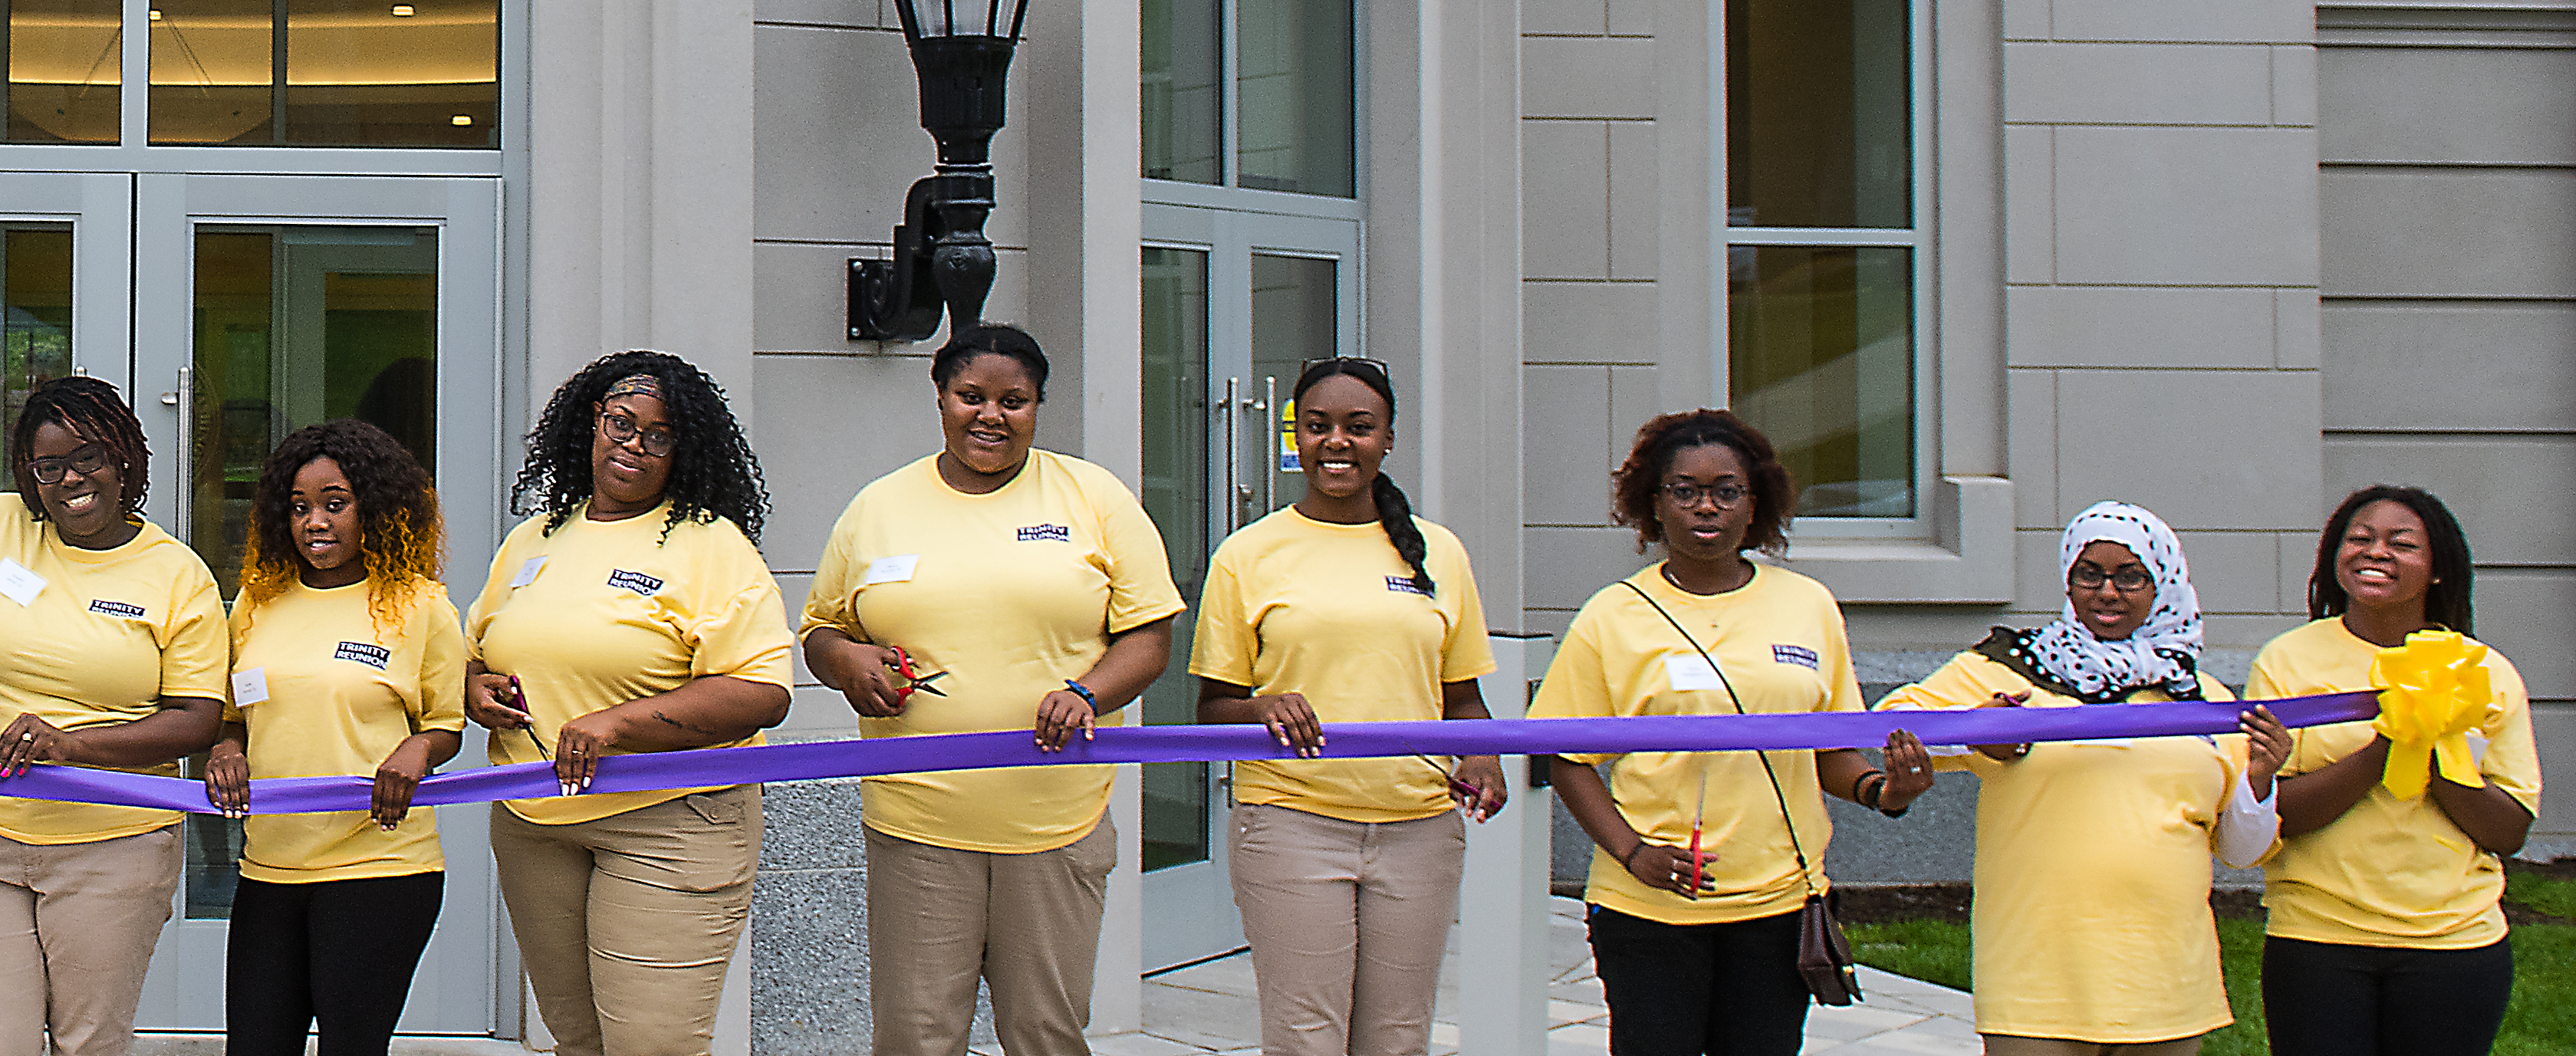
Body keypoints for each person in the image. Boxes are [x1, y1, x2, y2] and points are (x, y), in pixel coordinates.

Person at [798, 324, 1176, 1056]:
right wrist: (848, 664)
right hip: (917, 821)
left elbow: (1148, 637)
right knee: (915, 1035)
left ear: (1037, 407)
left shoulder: (1091, 496)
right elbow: (821, 631)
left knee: (1044, 1034)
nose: (990, 416)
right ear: (940, 397)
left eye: (1014, 401)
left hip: (1053, 823)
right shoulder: (879, 506)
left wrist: (1089, 694)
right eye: (971, 397)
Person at [1528, 409, 1933, 1056]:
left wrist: (1886, 791)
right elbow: (1563, 755)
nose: (1704, 508)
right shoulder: (1611, 616)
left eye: (1726, 491)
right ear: (1653, 506)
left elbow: (1829, 747)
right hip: (1649, 909)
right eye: (1683, 492)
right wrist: (1633, 854)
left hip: (1779, 903)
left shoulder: (1807, 605)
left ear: (1755, 504)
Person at [0, 376, 230, 1056]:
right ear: (27, 471)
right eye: (48, 466)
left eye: (88, 457)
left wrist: (71, 746)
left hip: (114, 847)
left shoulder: (175, 574)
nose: (70, 479)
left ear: (124, 457)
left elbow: (195, 722)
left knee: (87, 1044)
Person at [465, 350, 795, 1056]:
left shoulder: (709, 545)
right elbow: (477, 652)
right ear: (592, 422)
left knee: (652, 1045)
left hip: (669, 824)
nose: (633, 446)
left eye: (658, 434)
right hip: (536, 823)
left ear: (683, 450)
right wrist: (475, 689)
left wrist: (617, 724)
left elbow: (761, 693)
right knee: (576, 1041)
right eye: (621, 423)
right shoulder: (535, 539)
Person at [1877, 501, 2290, 1056]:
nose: (2107, 592)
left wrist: (2260, 779)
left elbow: (2242, 852)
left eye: (2130, 577)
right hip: (2036, 981)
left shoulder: (2203, 700)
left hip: (2166, 984)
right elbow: (1890, 724)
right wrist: (1981, 731)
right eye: (2088, 575)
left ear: (2163, 584)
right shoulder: (2008, 668)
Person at [1186, 358, 1506, 1056]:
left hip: (1418, 827)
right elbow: (1214, 705)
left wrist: (1481, 754)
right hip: (1292, 823)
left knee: (1396, 1039)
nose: (1336, 442)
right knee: (1307, 1039)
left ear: (1387, 439)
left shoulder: (1439, 553)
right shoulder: (1248, 554)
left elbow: (1464, 697)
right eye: (1317, 427)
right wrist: (1265, 707)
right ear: (1293, 438)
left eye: (1358, 428)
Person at [202, 419, 466, 1056]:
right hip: (270, 866)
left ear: (373, 509)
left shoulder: (420, 605)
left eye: (334, 504)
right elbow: (232, 716)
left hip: (379, 865)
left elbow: (445, 727)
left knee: (353, 1046)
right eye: (298, 508)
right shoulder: (256, 604)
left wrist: (417, 749)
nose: (314, 522)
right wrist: (223, 749)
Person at [2252, 486, 2539, 1056]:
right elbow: (2276, 814)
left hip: (2454, 943)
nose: (2374, 552)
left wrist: (2431, 747)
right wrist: (2388, 744)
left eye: (2400, 544)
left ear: (2436, 570)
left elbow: (2507, 832)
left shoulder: (2485, 673)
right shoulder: (2286, 661)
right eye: (2358, 539)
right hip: (2316, 938)